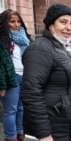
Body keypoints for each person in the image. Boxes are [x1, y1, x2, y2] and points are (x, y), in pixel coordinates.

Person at [20, 3, 71, 141]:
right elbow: (31, 92)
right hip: (56, 129)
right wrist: (44, 134)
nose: (69, 27)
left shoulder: (67, 48)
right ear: (51, 24)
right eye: (63, 22)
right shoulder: (40, 49)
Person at [0, 9, 30, 141]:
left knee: (21, 108)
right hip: (10, 79)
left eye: (18, 21)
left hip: (25, 76)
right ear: (4, 23)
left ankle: (20, 133)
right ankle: (11, 137)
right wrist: (1, 84)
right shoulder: (2, 40)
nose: (16, 24)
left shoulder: (25, 37)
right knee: (10, 110)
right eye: (12, 21)